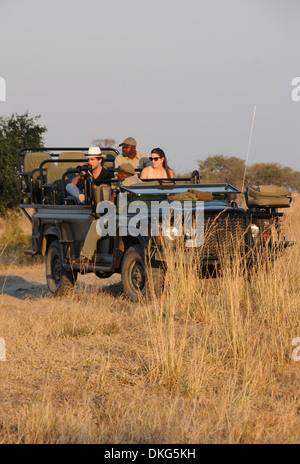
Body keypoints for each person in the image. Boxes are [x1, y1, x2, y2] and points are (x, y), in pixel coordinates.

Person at [71, 163, 142, 266]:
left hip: (122, 217)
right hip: (136, 216)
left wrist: (113, 193)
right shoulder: (139, 181)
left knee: (96, 224)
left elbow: (113, 205)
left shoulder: (125, 184)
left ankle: (86, 257)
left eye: (119, 173)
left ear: (125, 174)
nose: (117, 175)